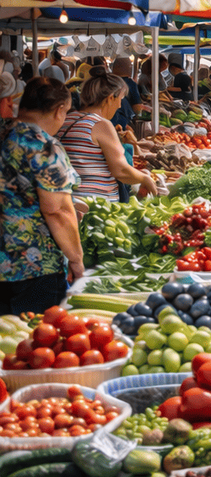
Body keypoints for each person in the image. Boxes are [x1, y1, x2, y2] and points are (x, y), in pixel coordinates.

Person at [0, 78, 85, 313]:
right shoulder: (44, 147)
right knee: (29, 339)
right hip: (32, 265)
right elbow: (56, 209)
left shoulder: (4, 131)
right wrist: (76, 260)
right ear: (59, 110)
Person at [56, 73, 157, 202]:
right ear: (110, 98)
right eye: (120, 99)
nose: (120, 105)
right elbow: (120, 170)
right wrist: (145, 178)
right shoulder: (100, 124)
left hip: (70, 201)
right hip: (95, 204)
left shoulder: (68, 119)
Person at [109, 58, 142, 131]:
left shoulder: (109, 81)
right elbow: (137, 108)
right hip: (120, 122)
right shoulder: (130, 83)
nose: (119, 105)